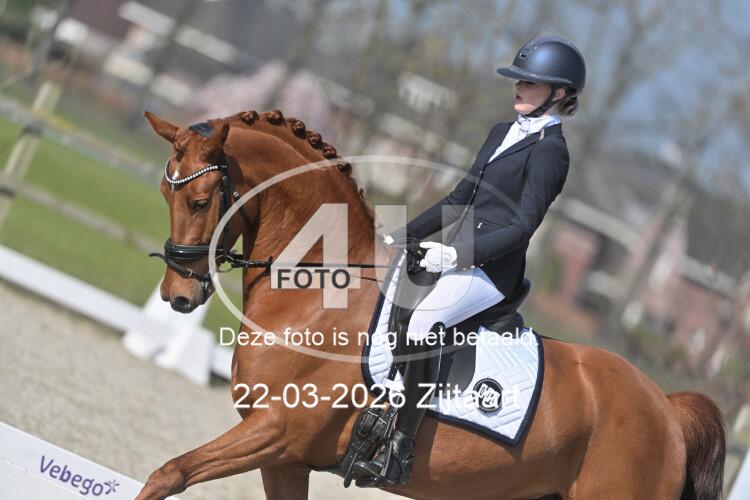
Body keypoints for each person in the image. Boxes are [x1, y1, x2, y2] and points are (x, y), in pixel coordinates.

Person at [352, 35, 586, 487]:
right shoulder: (501, 132)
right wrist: (400, 236)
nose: (518, 87)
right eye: (518, 80)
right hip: (453, 253)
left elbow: (523, 226)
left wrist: (458, 254)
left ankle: (400, 448)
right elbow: (458, 198)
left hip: (490, 270)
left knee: (424, 322)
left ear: (559, 92)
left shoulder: (551, 151)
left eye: (530, 82)